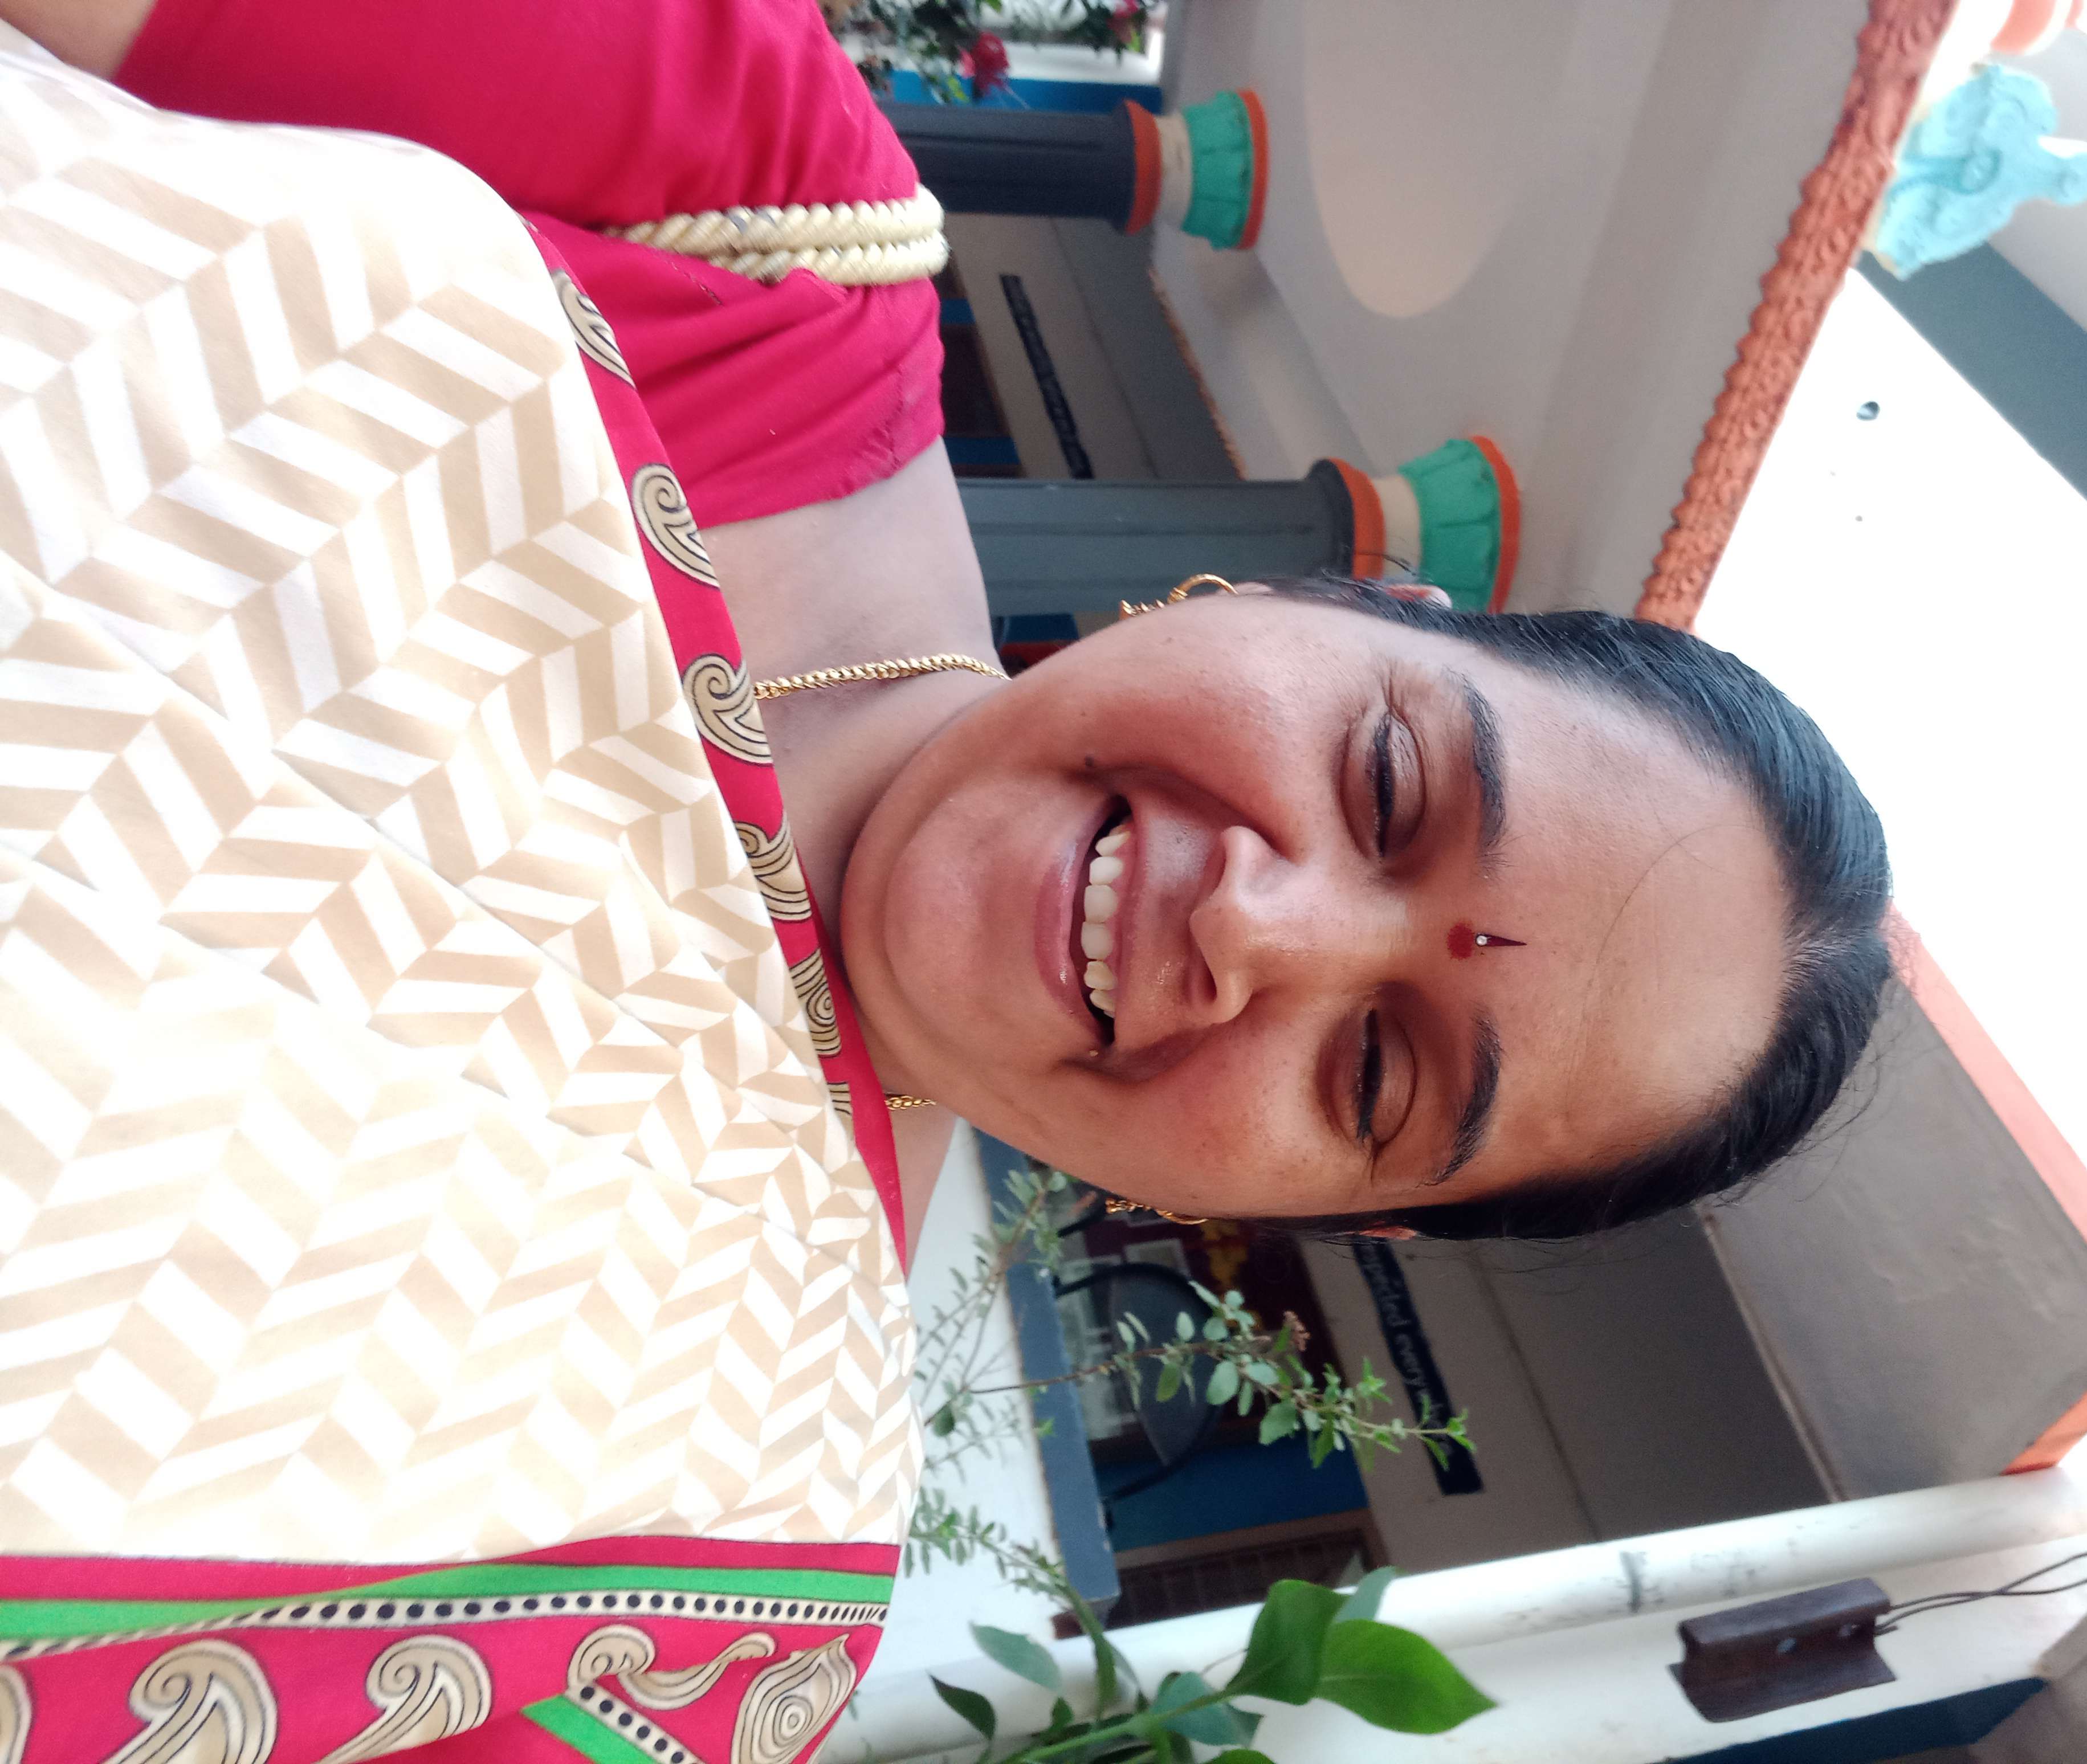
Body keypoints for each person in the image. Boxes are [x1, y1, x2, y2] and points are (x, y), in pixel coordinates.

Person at [0, 0, 1890, 1756]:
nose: (1256, 926)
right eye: (1388, 779)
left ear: (1336, 1215)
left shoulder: (700, 1545)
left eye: (1378, 1071)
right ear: (1343, 600)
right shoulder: (756, 224)